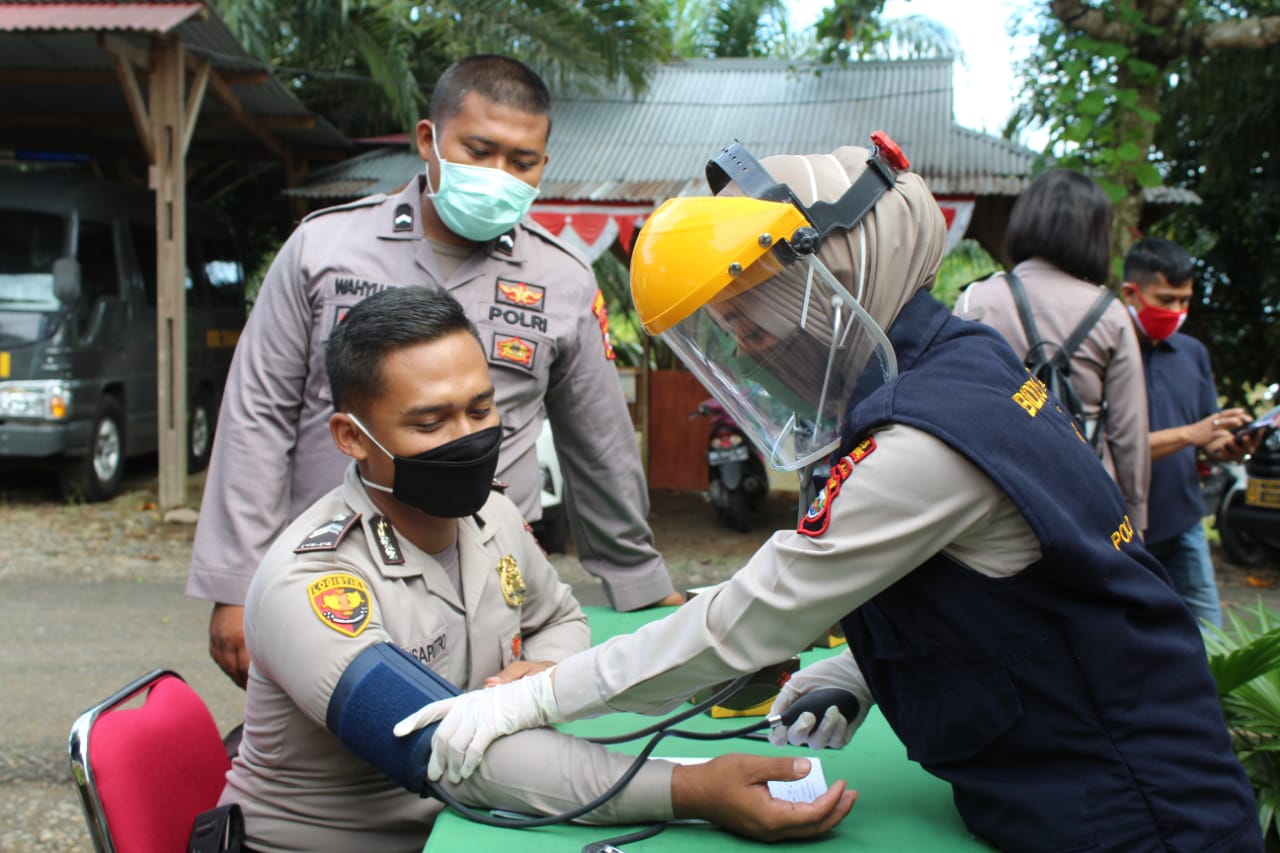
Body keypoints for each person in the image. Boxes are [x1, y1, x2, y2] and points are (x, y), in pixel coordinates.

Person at [399, 141, 1262, 852]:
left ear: (842, 267)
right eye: (729, 327)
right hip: (1071, 789)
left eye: (756, 310)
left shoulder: (925, 435)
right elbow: (1002, 571)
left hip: (1141, 814)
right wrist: (860, 668)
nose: (752, 343)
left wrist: (531, 698)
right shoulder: (959, 362)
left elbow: (746, 620)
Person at [218, 286, 854, 851]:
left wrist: (537, 679)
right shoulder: (313, 585)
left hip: (475, 824)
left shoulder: (489, 515)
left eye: (480, 408)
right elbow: (446, 752)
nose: (467, 437)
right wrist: (690, 790)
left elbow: (557, 614)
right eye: (431, 421)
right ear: (353, 437)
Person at [189, 53, 683, 689]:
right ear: (430, 139)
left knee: (486, 752)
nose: (499, 174)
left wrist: (639, 583)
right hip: (333, 574)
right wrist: (235, 581)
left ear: (543, 167)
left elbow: (600, 442)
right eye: (479, 150)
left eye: (521, 161)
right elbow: (258, 413)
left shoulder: (561, 276)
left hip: (488, 576)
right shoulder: (324, 248)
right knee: (332, 759)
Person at [955, 169, 1150, 532]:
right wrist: (1135, 518)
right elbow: (1128, 432)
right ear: (1096, 234)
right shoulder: (1111, 314)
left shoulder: (976, 300)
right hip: (1084, 501)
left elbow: (951, 405)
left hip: (993, 493)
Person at [1123, 237, 1255, 627]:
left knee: (1210, 638)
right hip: (1124, 529)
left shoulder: (1192, 353)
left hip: (1184, 523)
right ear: (1131, 292)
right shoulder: (1108, 351)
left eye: (1184, 300)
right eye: (1166, 299)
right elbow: (1109, 447)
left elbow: (1207, 436)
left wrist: (1229, 445)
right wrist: (1192, 434)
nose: (1177, 311)